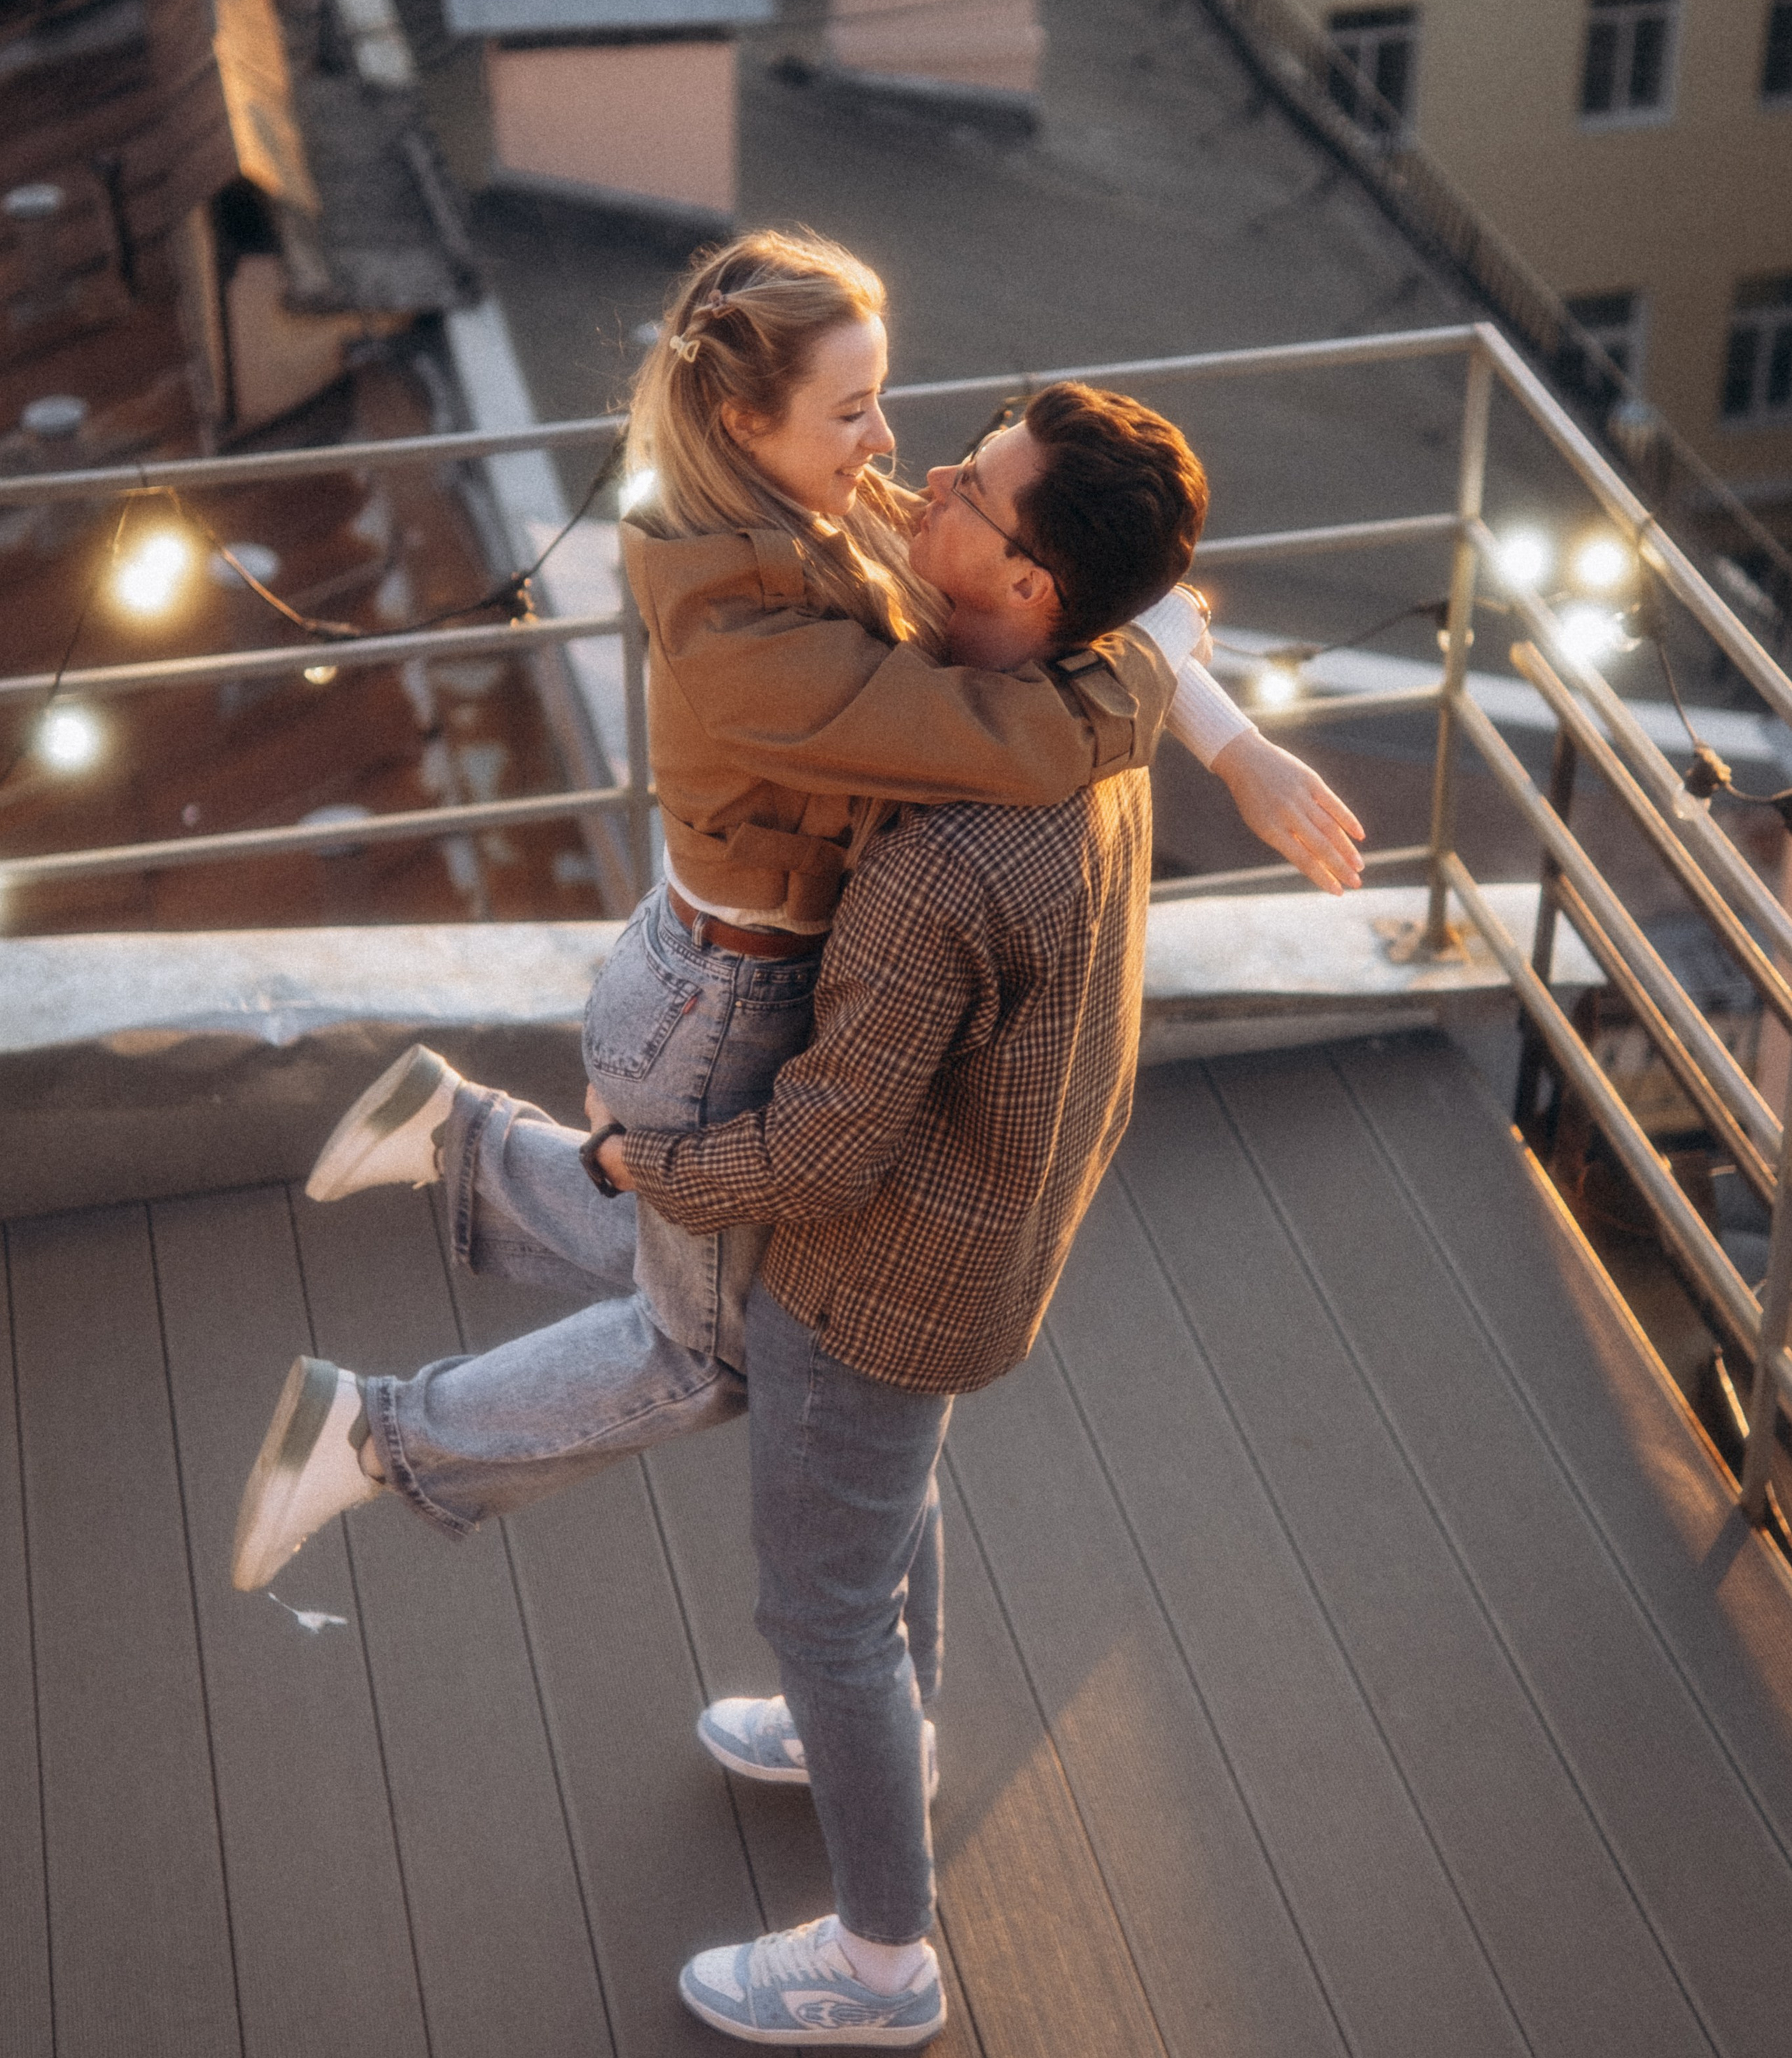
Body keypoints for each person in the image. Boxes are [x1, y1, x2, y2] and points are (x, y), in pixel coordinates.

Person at [230, 374, 1343, 2045]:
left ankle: (882, 1963)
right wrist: (1241, 744)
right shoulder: (1092, 668)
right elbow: (1160, 613)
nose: (928, 476)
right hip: (982, 1220)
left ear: (1026, 586)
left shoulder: (949, 853)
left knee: (813, 1586)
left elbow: (815, 1155)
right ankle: (885, 1724)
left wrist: (630, 1162)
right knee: (882, 1511)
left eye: (972, 484)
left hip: (885, 1270)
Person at [234, 234, 1362, 1600]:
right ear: (741, 418)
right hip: (720, 1008)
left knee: (724, 1281)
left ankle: (463, 1144)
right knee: (704, 1351)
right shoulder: (738, 632)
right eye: (852, 411)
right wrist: (1179, 697)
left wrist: (1228, 735)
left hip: (731, 977)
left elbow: (1111, 613)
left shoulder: (817, 512)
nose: (895, 446)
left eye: (882, 398)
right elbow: (1016, 727)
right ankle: (374, 1435)